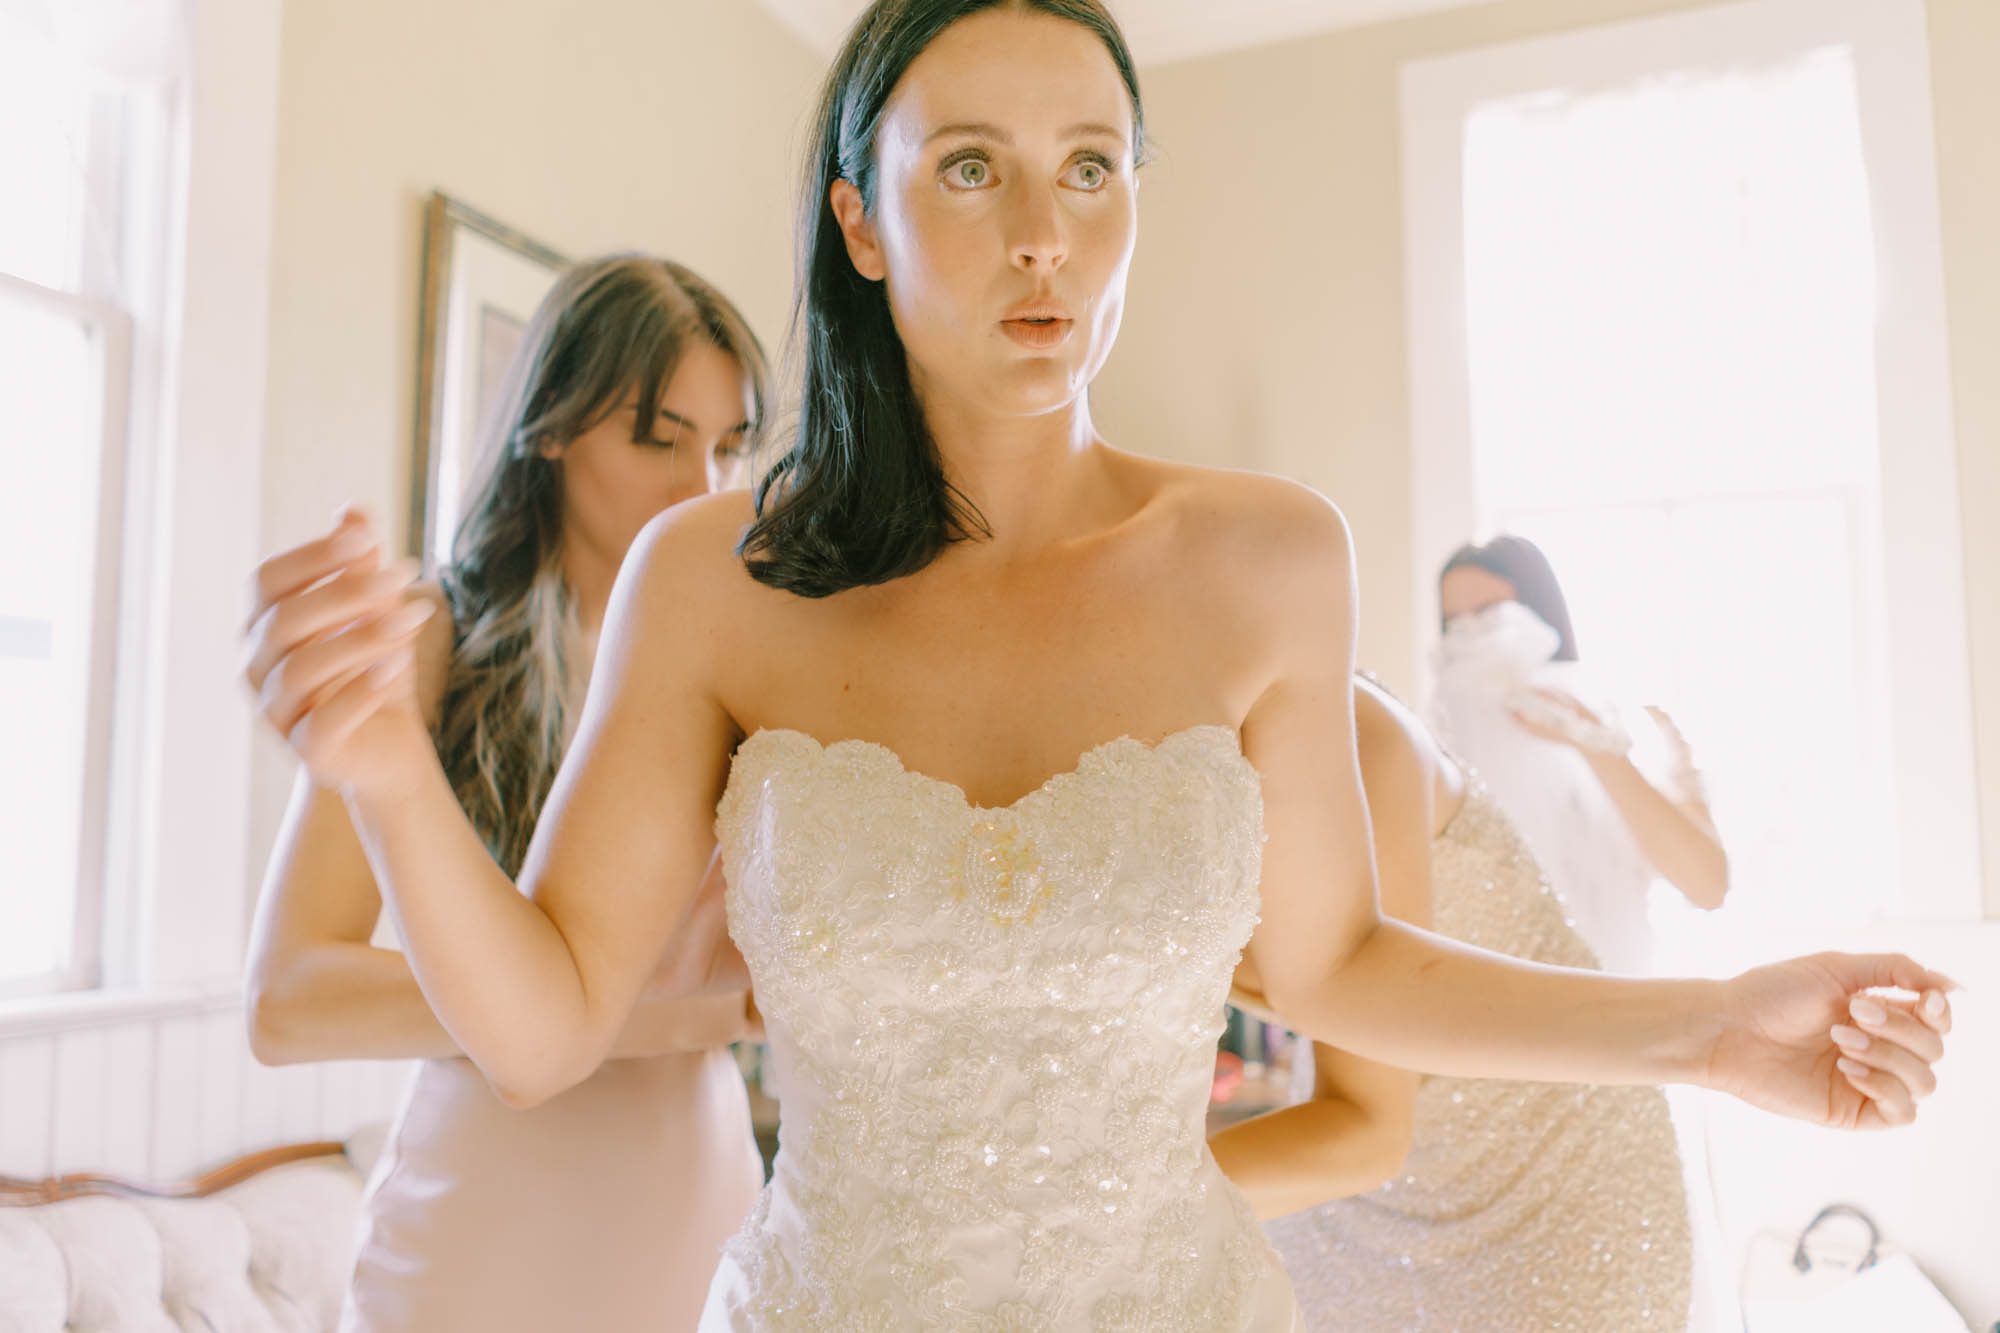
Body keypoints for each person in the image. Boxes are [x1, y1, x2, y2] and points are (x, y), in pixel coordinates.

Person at [243, 4, 1953, 1328]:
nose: (1042, 235)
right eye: (969, 168)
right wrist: (387, 773)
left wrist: (1716, 1027)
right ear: (861, 218)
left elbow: (1344, 962)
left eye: (1092, 166)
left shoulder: (1271, 559)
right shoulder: (714, 577)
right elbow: (542, 1027)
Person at [242, 254, 770, 1331]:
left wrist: (584, 1010)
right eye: (657, 437)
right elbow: (288, 1000)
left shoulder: (753, 663)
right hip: (481, 1225)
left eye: (728, 446)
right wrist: (587, 1016)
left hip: (698, 1209)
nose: (703, 489)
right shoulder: (436, 643)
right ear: (548, 428)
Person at [1238, 677, 1694, 1329]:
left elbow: (1369, 1128)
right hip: (1364, 1185)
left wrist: (1107, 1207)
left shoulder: (1353, 740)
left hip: (1552, 1183)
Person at [1432, 534, 1728, 974]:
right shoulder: (1439, 739)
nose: (1473, 635)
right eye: (1454, 622)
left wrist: (1595, 747)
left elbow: (1706, 885)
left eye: (1491, 614)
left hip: (1617, 993)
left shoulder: (1632, 719)